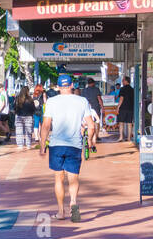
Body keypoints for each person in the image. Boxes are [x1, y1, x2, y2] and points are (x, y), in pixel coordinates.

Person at [40, 74, 100, 222]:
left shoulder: (52, 102)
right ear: (72, 85)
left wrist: (42, 146)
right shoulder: (82, 101)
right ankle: (73, 201)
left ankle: (61, 212)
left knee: (58, 179)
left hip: (56, 145)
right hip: (74, 144)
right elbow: (91, 125)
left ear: (59, 87)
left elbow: (46, 125)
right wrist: (90, 141)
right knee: (73, 177)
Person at [80, 77, 105, 147]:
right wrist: (102, 107)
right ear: (93, 83)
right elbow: (99, 99)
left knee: (87, 123)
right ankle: (96, 136)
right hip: (95, 108)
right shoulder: (96, 89)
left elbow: (82, 100)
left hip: (86, 108)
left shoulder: (84, 90)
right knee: (96, 122)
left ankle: (87, 136)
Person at [12, 86, 36, 150]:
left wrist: (16, 112)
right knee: (28, 131)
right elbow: (33, 108)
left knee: (19, 131)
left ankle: (20, 145)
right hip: (28, 116)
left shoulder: (17, 98)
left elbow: (14, 107)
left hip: (19, 116)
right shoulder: (30, 99)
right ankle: (28, 145)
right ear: (27, 91)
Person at [117, 76, 135, 143]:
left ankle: (121, 137)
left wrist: (118, 107)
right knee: (129, 123)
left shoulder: (122, 89)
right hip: (130, 108)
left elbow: (121, 98)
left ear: (126, 81)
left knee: (121, 123)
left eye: (123, 80)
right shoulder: (132, 89)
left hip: (123, 108)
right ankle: (129, 138)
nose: (122, 81)